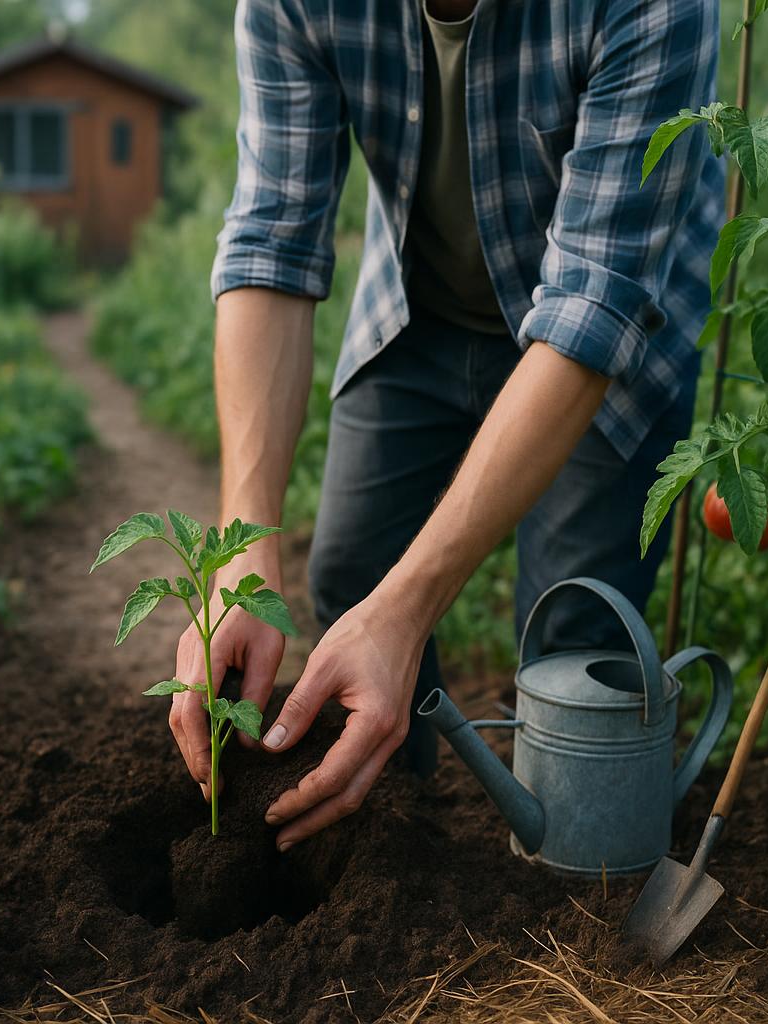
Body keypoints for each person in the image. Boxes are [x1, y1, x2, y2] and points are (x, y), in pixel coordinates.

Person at [168, 0, 725, 852]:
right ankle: (395, 854)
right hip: (418, 306)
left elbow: (590, 306)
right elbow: (271, 243)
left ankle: (574, 886)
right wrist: (242, 552)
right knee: (355, 572)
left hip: (613, 326)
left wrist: (409, 610)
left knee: (569, 636)